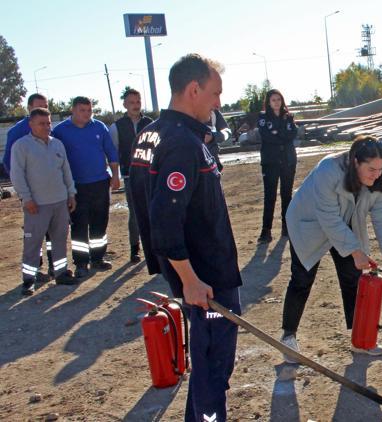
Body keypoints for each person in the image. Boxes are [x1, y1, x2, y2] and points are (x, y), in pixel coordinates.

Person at [131, 53, 242, 422]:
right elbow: (164, 219)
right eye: (215, 93)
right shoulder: (180, 143)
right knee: (213, 368)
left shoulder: (156, 132)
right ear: (193, 89)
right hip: (206, 277)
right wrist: (190, 280)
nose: (218, 103)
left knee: (208, 365)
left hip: (200, 271)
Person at [280, 135, 382, 361]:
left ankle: (360, 338)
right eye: (371, 169)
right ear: (354, 162)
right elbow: (329, 218)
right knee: (302, 278)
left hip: (347, 220)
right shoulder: (328, 171)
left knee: (353, 276)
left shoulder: (379, 182)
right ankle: (288, 337)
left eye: (381, 169)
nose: (376, 174)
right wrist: (355, 250)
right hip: (310, 222)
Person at [10, 108, 78, 295]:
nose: (47, 126)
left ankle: (61, 273)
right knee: (33, 243)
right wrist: (26, 198)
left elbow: (66, 171)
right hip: (36, 206)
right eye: (42, 123)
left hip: (60, 202)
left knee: (59, 240)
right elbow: (17, 175)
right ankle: (29, 279)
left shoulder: (57, 145)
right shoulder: (21, 146)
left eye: (48, 123)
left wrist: (71, 194)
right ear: (31, 124)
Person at [52, 96, 119, 277]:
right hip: (76, 187)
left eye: (89, 110)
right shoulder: (60, 131)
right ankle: (81, 262)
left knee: (100, 222)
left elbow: (111, 152)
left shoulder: (99, 127)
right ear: (73, 110)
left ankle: (98, 257)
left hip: (99, 183)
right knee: (79, 225)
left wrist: (115, 176)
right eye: (82, 110)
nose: (87, 114)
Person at [4, 93, 55, 277]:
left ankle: (54, 266)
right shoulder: (17, 133)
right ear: (29, 109)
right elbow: (10, 165)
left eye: (46, 105)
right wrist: (25, 193)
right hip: (32, 195)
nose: (43, 109)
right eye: (38, 106)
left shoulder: (50, 130)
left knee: (53, 232)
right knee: (34, 234)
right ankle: (34, 271)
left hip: (52, 194)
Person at [109, 88, 153, 263]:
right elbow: (113, 153)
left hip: (151, 175)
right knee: (135, 214)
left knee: (154, 211)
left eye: (138, 102)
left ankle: (155, 247)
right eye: (132, 102)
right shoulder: (117, 127)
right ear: (125, 105)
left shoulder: (150, 123)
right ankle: (135, 249)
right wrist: (116, 175)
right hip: (130, 176)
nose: (135, 105)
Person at [257, 89, 297, 243]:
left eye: (279, 99)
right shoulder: (262, 117)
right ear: (268, 102)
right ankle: (266, 231)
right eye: (273, 100)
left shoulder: (289, 117)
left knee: (287, 194)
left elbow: (292, 134)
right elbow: (266, 136)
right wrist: (281, 135)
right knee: (270, 196)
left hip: (288, 160)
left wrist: (277, 133)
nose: (276, 102)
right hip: (270, 162)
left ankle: (286, 227)